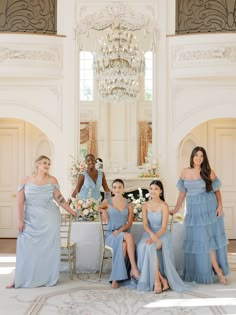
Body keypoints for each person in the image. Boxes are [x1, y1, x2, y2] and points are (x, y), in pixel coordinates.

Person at [6, 155, 77, 288]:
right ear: (37, 164)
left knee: (47, 249)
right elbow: (20, 202)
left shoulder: (52, 180)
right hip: (30, 219)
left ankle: (47, 277)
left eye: (49, 163)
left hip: (49, 219)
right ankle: (19, 278)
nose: (47, 165)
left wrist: (71, 211)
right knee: (26, 248)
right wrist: (20, 220)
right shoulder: (26, 180)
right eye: (44, 162)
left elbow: (59, 199)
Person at [170, 146, 229, 284]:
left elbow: (217, 191)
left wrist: (220, 205)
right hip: (194, 210)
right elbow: (182, 193)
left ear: (204, 158)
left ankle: (219, 272)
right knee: (200, 241)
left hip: (208, 208)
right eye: (196, 155)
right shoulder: (185, 172)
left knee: (207, 241)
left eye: (201, 156)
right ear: (192, 157)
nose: (198, 158)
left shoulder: (208, 172)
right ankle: (209, 270)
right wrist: (176, 208)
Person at [137, 180, 191, 293]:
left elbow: (164, 227)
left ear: (161, 191)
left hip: (162, 234)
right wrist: (152, 236)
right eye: (151, 188)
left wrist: (156, 237)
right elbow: (146, 225)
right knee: (143, 246)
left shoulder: (164, 206)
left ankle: (157, 281)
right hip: (149, 233)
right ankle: (161, 279)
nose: (153, 191)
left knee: (150, 247)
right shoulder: (145, 205)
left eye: (156, 189)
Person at [99, 178, 140, 289]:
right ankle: (134, 269)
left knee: (124, 244)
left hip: (122, 234)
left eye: (119, 187)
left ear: (123, 189)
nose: (117, 189)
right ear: (112, 189)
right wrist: (103, 211)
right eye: (115, 187)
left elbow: (130, 223)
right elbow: (98, 207)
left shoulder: (129, 204)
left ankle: (115, 278)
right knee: (129, 237)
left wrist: (120, 231)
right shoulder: (108, 201)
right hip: (111, 235)